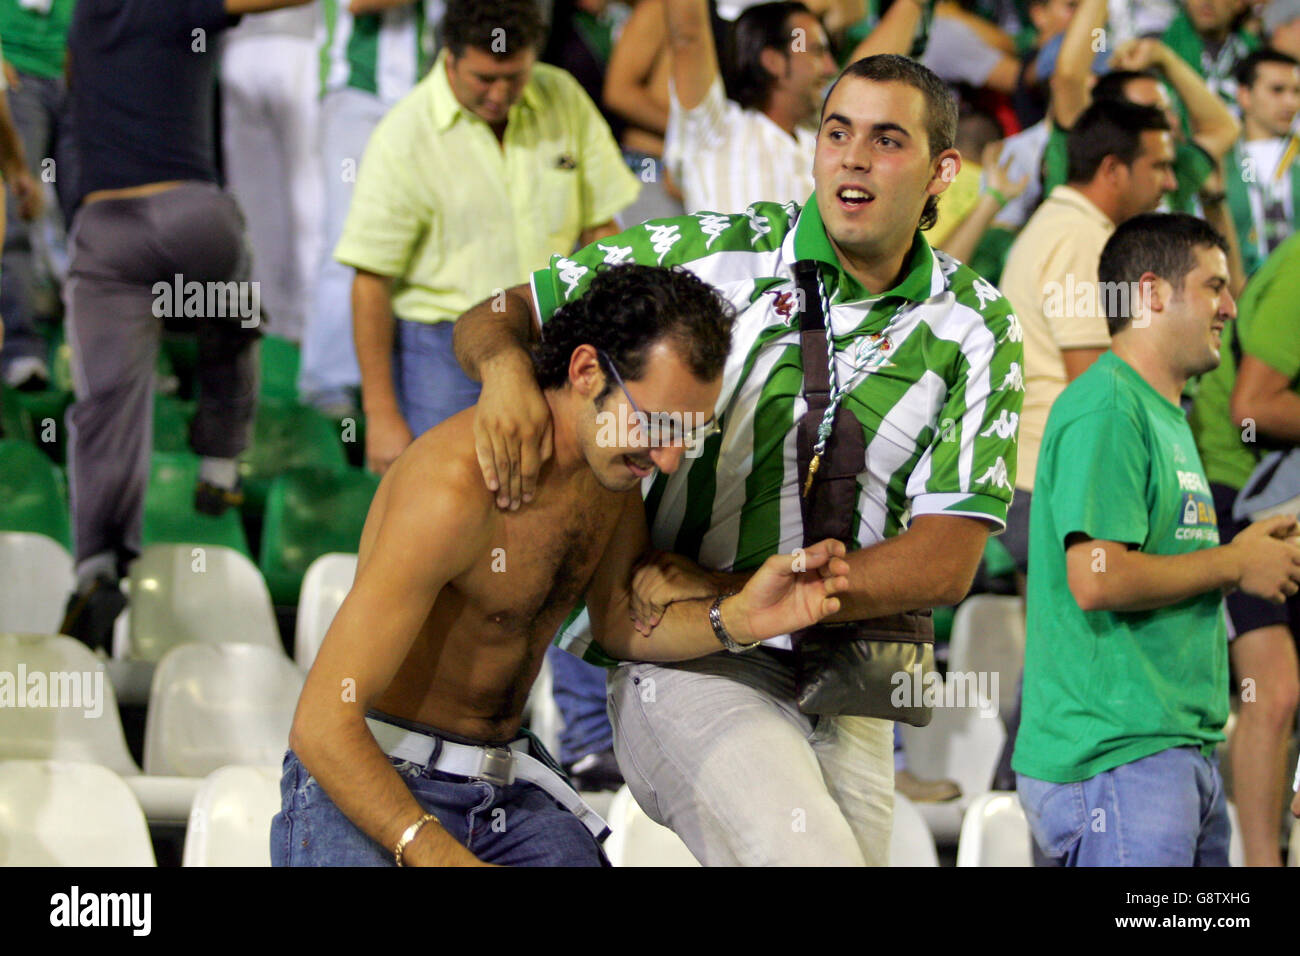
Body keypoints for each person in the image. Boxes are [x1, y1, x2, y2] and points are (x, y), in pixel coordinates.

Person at [454, 54, 1025, 865]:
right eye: (837, 132)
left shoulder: (978, 323)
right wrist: (507, 369)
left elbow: (945, 562)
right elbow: (500, 311)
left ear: (943, 171)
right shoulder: (713, 252)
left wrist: (756, 592)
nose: (854, 157)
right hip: (688, 656)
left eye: (887, 140)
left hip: (851, 676)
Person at [273, 263, 853, 867]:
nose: (670, 458)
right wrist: (439, 856)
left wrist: (740, 618)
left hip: (503, 785)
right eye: (655, 423)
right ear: (584, 371)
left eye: (690, 434)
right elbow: (320, 725)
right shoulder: (451, 489)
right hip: (369, 778)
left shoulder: (610, 480)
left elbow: (620, 626)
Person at [1012, 211, 1300, 867]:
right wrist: (1234, 562)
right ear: (1151, 293)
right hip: (1119, 760)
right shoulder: (1109, 405)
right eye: (1214, 286)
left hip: (1171, 755)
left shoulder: (1162, 415)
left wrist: (1254, 546)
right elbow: (1098, 576)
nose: (1230, 306)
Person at [57, 0, 313, 651]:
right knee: (233, 323)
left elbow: (68, 82)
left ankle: (97, 560)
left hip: (105, 231)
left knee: (108, 401)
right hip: (191, 218)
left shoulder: (86, 18)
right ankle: (220, 464)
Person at [338, 0, 639, 474]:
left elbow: (602, 227)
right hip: (443, 353)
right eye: (484, 78)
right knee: (454, 498)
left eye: (514, 77)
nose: (500, 93)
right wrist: (381, 414)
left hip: (555, 332)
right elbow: (369, 284)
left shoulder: (562, 95)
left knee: (550, 495)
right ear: (450, 60)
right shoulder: (403, 135)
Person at [998, 98, 1177, 574]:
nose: (1170, 183)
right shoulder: (1082, 239)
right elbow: (1093, 384)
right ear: (1113, 169)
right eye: (1158, 166)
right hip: (1049, 484)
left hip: (1040, 479)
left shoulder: (1069, 226)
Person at [1190, 230, 1300, 865]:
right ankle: (1261, 866)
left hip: (1286, 493)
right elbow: (1252, 405)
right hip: (1236, 495)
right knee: (1274, 690)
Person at [297, 0, 438, 417]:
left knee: (419, 247)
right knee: (349, 241)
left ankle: (396, 378)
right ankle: (328, 383)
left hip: (424, 97)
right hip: (357, 96)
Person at [663, 0, 837, 213]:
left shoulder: (825, 140)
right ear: (774, 61)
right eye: (818, 51)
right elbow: (688, 37)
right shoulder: (714, 131)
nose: (831, 68)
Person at [219, 3, 323, 343]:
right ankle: (280, 318)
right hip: (252, 42)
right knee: (280, 193)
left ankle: (297, 318)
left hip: (273, 42)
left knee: (293, 193)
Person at [0, 1, 69, 391]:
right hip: (16, 68)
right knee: (15, 218)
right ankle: (20, 349)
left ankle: (119, 353)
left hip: (79, 69)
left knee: (102, 217)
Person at [1225, 48, 1300, 276]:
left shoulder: (1296, 155)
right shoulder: (1223, 160)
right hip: (1239, 293)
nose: (1291, 102)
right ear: (1244, 95)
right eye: (1277, 90)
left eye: (1296, 92)